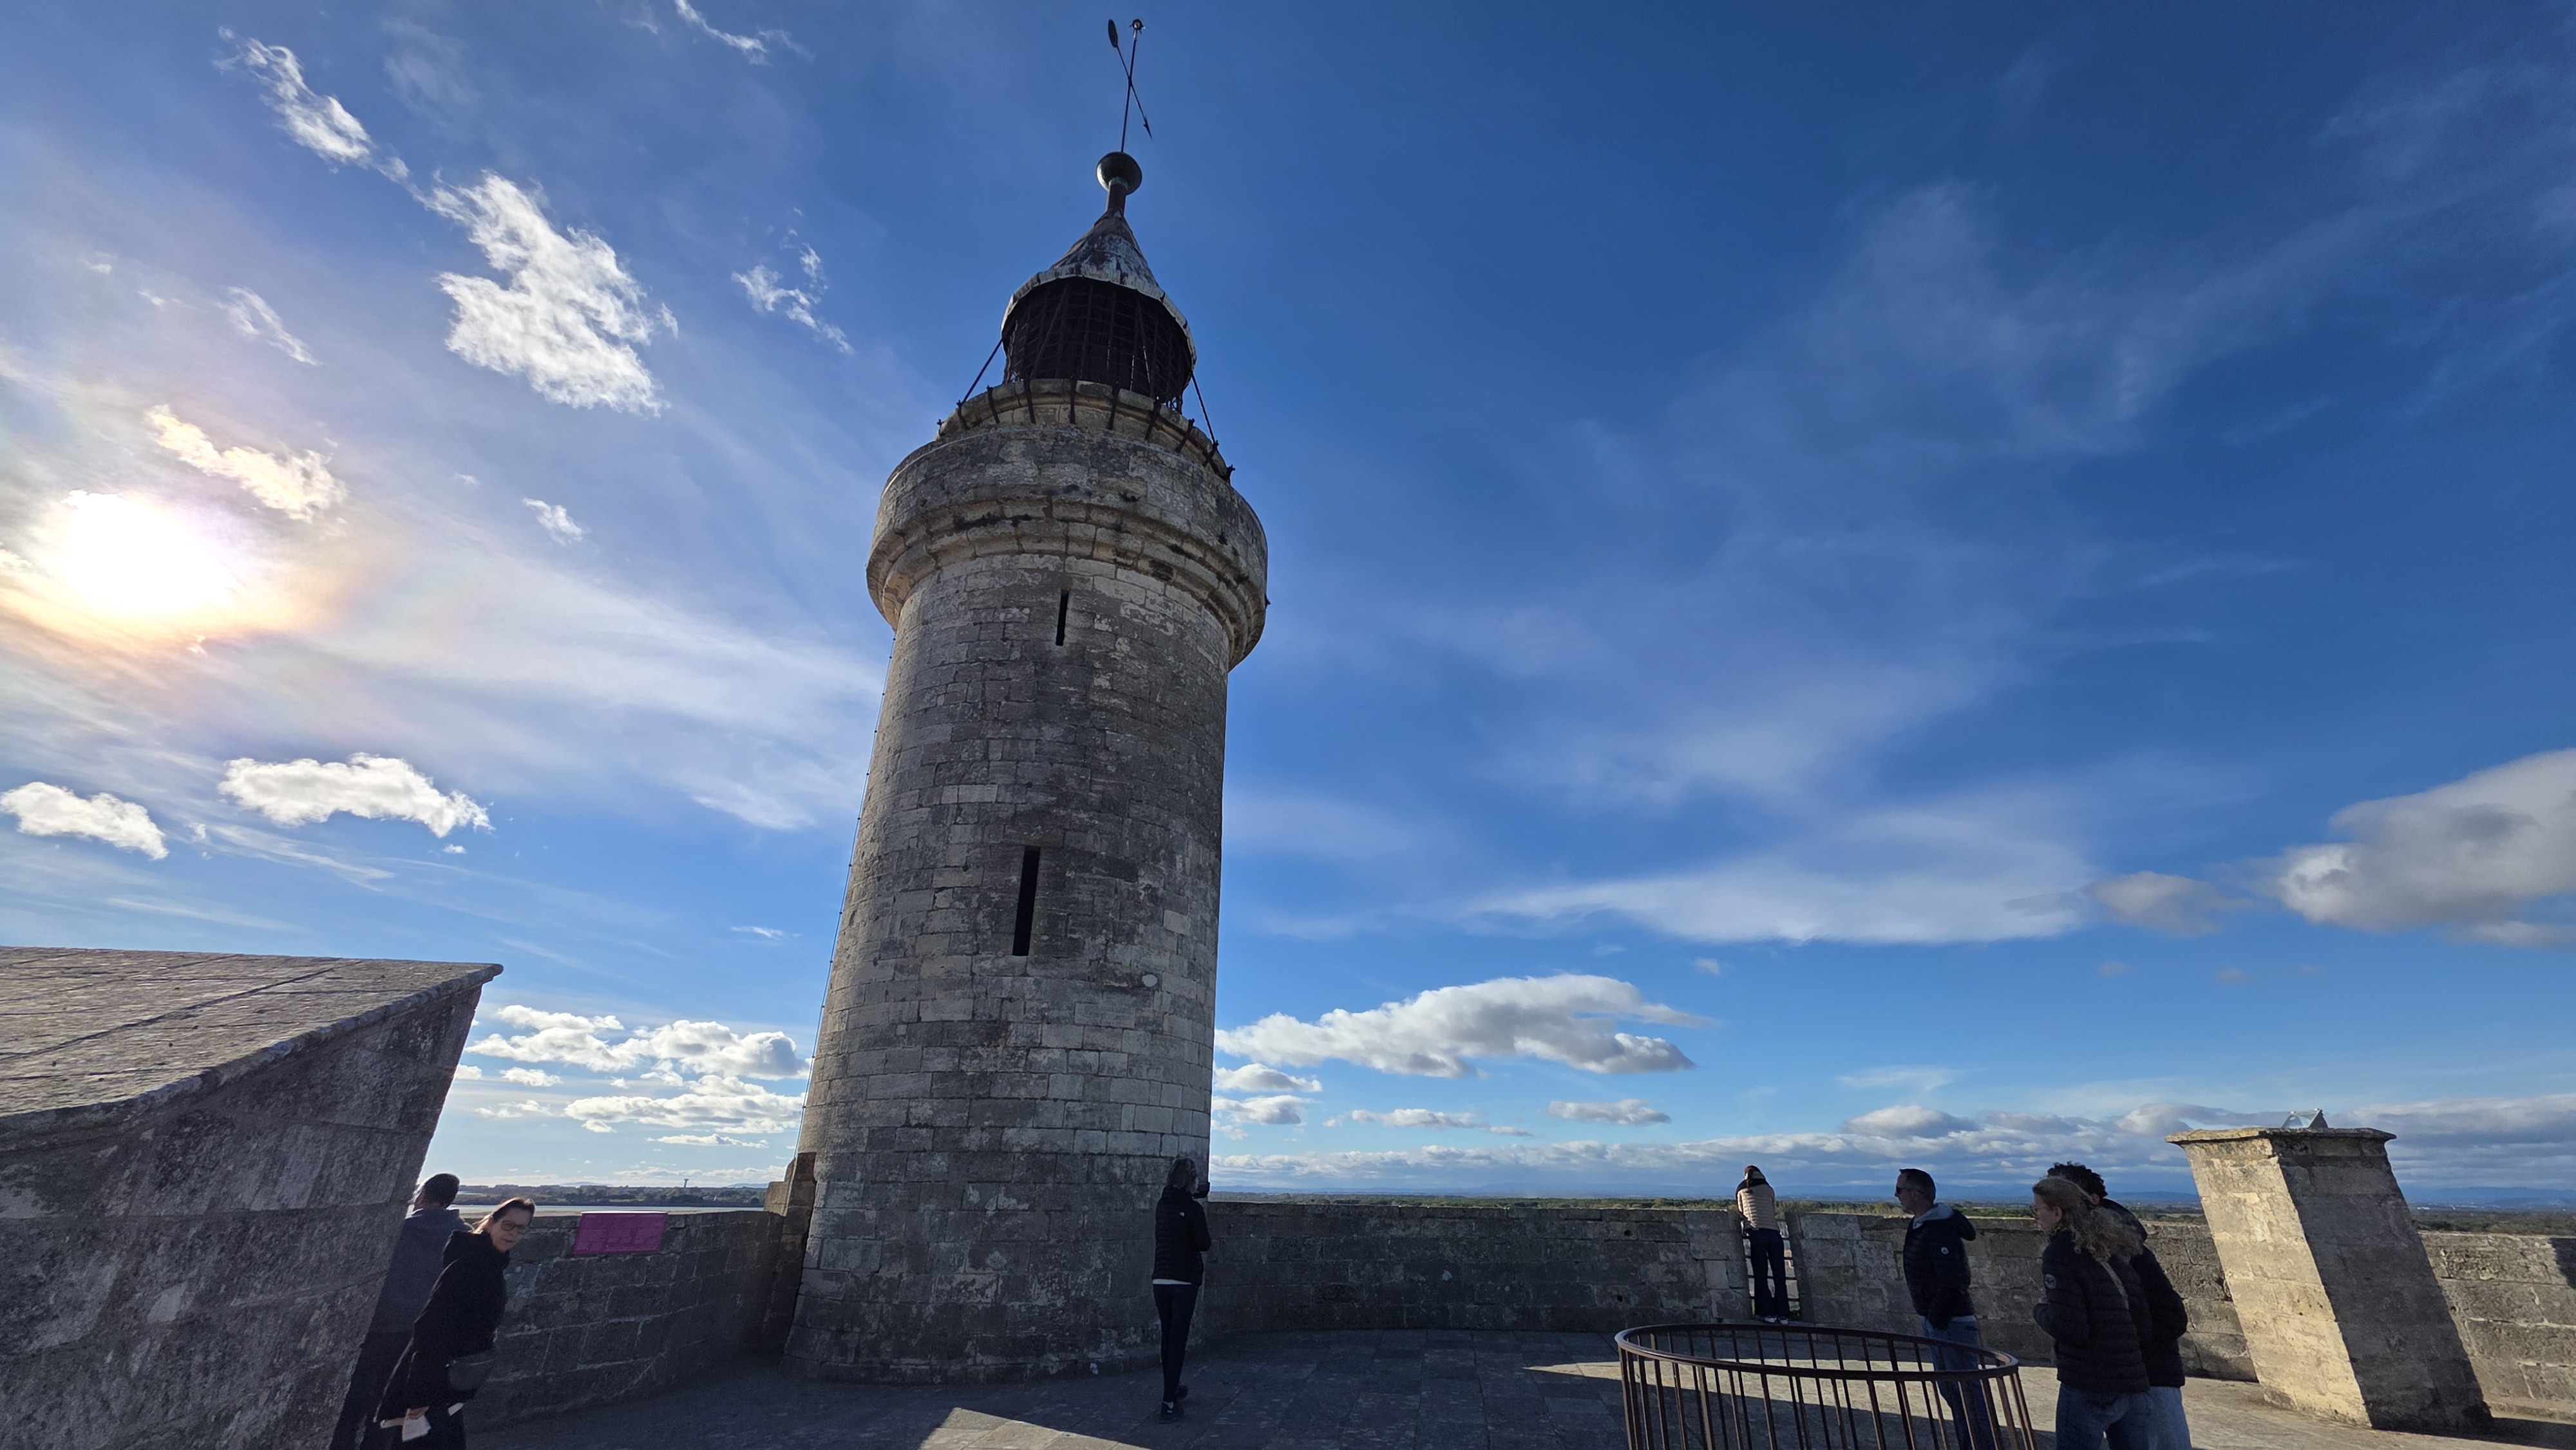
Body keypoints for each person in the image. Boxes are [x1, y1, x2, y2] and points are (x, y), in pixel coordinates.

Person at [372, 1196, 534, 1447]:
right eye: (508, 1225)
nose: (513, 1233)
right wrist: (421, 1393)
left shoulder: (488, 1259)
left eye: (521, 1228)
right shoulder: (470, 1263)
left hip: (450, 1381)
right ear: (492, 1222)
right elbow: (430, 1325)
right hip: (436, 1381)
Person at [2052, 1163, 2192, 1450]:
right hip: (2127, 1377)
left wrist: (2127, 1351)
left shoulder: (2124, 1249)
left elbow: (2171, 1316)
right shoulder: (2083, 1250)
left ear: (2092, 1201)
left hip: (2151, 1376)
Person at [336, 1175, 468, 1449]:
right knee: (390, 1409)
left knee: (354, 1403)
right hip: (424, 1335)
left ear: (422, 1196)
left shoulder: (400, 1229)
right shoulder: (465, 1235)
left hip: (383, 1327)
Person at [2031, 1176, 2154, 1450]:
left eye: (2038, 1209)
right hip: (2133, 1381)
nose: (2036, 1217)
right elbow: (2143, 1323)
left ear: (2057, 1212)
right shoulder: (2112, 1248)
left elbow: (2071, 1328)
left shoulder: (2059, 1254)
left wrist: (2040, 1311)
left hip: (2089, 1381)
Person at [1895, 1169, 1995, 1450]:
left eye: (1900, 1190)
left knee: (1966, 1394)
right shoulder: (1923, 1224)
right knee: (1954, 1392)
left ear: (1917, 1195)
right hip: (1939, 1321)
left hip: (1950, 1322)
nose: (1896, 1195)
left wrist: (1936, 1317)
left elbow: (1954, 1281)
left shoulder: (1938, 1229)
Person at [1151, 1157, 1212, 1424]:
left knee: (1168, 1338)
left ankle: (1172, 1388)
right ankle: (1168, 1404)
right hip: (1184, 1281)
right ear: (1192, 1181)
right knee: (1178, 1341)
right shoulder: (1193, 1209)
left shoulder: (1162, 1206)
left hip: (1161, 1280)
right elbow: (1204, 1243)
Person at [1736, 1165, 1788, 1322]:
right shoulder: (1769, 1189)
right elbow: (1773, 1210)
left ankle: (1766, 1312)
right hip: (1775, 1233)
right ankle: (1783, 1314)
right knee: (1780, 1276)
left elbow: (1741, 1211)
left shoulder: (1742, 1189)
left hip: (1757, 1233)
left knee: (1761, 1275)